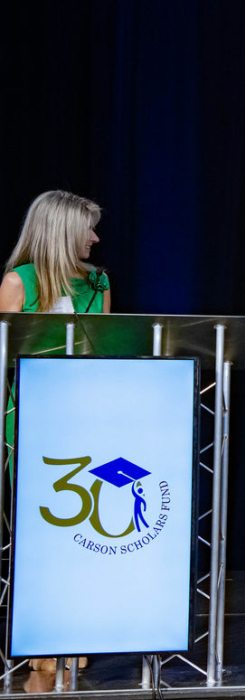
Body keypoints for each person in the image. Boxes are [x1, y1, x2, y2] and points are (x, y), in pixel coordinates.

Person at [0, 190, 110, 674]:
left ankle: (75, 630)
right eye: (88, 229)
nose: (95, 238)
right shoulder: (17, 283)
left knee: (82, 527)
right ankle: (40, 639)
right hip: (30, 418)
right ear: (62, 232)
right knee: (40, 528)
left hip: (83, 417)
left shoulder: (98, 281)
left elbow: (104, 352)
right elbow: (5, 360)